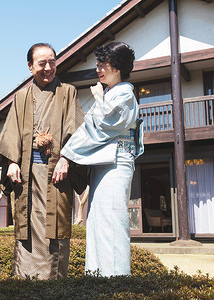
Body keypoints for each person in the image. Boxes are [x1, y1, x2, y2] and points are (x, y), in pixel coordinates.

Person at [0, 43, 87, 279]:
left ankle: (55, 284)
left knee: (55, 229)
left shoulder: (68, 92)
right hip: (27, 174)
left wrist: (66, 157)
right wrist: (12, 162)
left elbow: (76, 129)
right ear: (30, 66)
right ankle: (25, 281)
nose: (48, 67)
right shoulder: (22, 96)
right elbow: (11, 132)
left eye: (52, 62)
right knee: (27, 228)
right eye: (42, 63)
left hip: (57, 174)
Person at [61, 41, 141, 277]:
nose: (99, 67)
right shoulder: (111, 93)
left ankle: (115, 280)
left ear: (117, 67)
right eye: (98, 62)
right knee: (97, 220)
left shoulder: (125, 94)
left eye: (104, 63)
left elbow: (103, 127)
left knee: (111, 221)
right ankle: (97, 278)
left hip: (116, 162)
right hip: (104, 162)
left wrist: (66, 154)